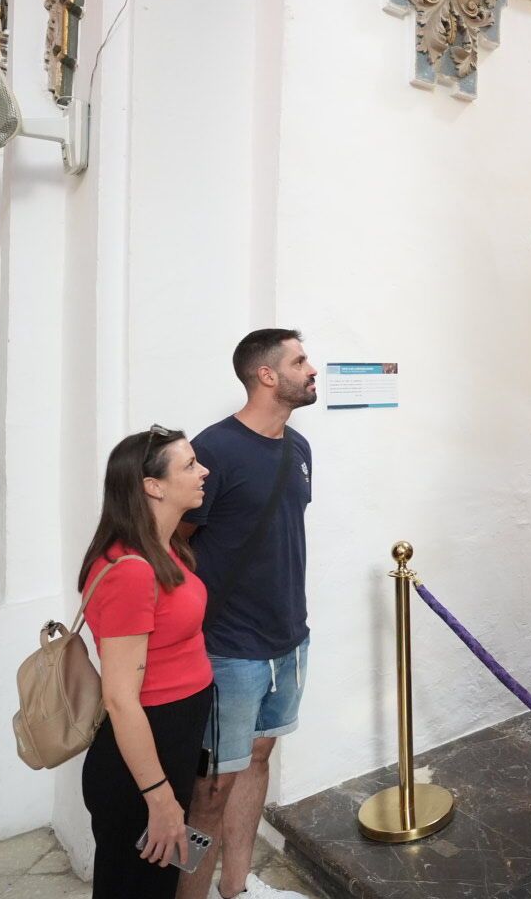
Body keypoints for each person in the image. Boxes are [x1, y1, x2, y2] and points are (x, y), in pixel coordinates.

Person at [177, 329, 317, 899]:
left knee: (258, 758)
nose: (312, 368)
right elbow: (177, 541)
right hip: (227, 648)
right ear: (266, 375)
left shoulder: (299, 448)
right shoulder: (214, 449)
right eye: (300, 360)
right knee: (210, 789)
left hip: (289, 639)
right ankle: (189, 895)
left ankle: (235, 889)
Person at [78, 426, 214, 899]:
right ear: (152, 486)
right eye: (190, 465)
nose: (204, 472)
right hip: (142, 751)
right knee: (136, 886)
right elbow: (119, 699)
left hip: (172, 737)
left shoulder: (165, 546)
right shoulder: (132, 571)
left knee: (156, 882)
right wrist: (159, 797)